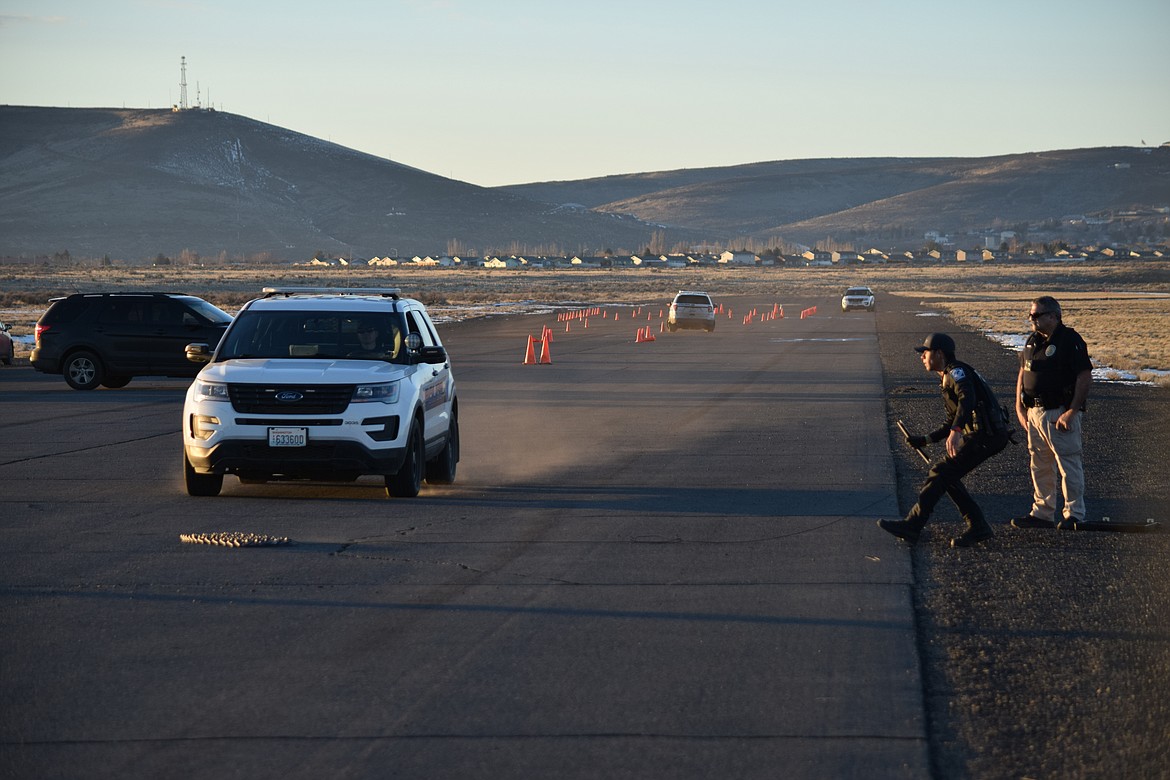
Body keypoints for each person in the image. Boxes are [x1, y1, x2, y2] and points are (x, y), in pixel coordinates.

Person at [879, 333, 1011, 548]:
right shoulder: (948, 375)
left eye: (925, 352)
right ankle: (978, 526)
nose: (922, 357)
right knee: (947, 476)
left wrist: (957, 430)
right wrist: (926, 440)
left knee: (940, 473)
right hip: (984, 435)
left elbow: (967, 399)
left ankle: (913, 525)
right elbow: (953, 417)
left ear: (939, 353)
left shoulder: (956, 373)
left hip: (986, 435)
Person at [1010, 296, 1093, 530]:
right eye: (1030, 314)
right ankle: (1042, 513)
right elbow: (1022, 372)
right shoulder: (1032, 341)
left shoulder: (1069, 340)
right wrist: (1019, 407)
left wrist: (1072, 411)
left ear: (1054, 316)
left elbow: (1084, 376)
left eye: (1037, 315)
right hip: (1034, 413)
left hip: (1059, 412)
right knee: (1039, 464)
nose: (1032, 319)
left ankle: (1074, 514)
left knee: (1068, 463)